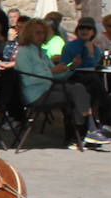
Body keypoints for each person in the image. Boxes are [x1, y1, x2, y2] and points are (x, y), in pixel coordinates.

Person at [8, 17, 101, 147]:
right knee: (77, 94)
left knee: (79, 89)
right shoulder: (25, 52)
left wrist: (71, 67)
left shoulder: (41, 52)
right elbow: (29, 79)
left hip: (48, 88)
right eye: (37, 33)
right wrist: (51, 72)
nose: (41, 36)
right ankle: (86, 131)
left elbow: (57, 76)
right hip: (35, 94)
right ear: (29, 33)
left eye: (43, 33)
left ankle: (80, 135)